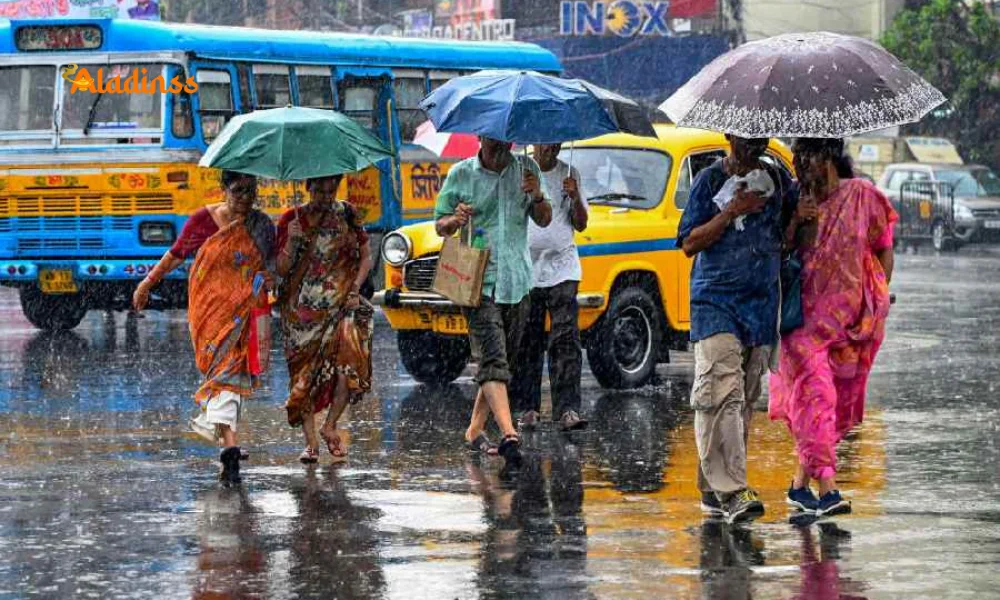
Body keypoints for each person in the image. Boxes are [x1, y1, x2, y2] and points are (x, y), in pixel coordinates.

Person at [769, 138, 896, 516]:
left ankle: (798, 486)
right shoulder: (792, 200)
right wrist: (797, 221)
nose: (801, 164)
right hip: (801, 323)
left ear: (828, 156)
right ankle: (827, 489)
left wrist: (879, 296)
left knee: (828, 409)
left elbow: (882, 246)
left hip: (849, 324)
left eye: (808, 156)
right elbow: (778, 251)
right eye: (797, 157)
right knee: (817, 397)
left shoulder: (863, 196)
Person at [676, 135, 796, 523]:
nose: (754, 145)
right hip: (716, 303)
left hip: (759, 307)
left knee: (740, 400)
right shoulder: (709, 181)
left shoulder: (777, 181)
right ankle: (733, 490)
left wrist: (801, 217)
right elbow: (690, 242)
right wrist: (731, 211)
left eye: (760, 138)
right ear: (730, 136)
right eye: (747, 138)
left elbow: (786, 242)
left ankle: (713, 488)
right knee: (719, 393)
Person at [133, 170, 275, 484]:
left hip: (245, 311)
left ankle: (230, 446)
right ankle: (230, 442)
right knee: (223, 374)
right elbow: (175, 255)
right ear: (223, 189)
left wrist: (272, 287)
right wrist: (146, 283)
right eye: (238, 191)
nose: (245, 198)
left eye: (251, 191)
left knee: (233, 373)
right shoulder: (203, 220)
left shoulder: (262, 226)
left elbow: (272, 267)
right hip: (209, 312)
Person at [434, 137, 552, 474]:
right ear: (480, 137)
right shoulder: (461, 174)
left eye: (505, 136)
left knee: (501, 364)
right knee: (492, 359)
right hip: (477, 282)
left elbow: (544, 219)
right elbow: (439, 224)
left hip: (517, 280)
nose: (499, 143)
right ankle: (510, 435)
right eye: (491, 136)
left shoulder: (527, 170)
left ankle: (473, 430)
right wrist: (454, 221)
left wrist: (538, 195)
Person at [276, 175, 374, 464]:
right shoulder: (291, 220)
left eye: (331, 190)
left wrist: (355, 288)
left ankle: (330, 425)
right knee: (304, 378)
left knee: (349, 368)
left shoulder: (348, 214)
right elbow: (281, 268)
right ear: (307, 187)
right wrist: (292, 243)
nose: (325, 196)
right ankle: (310, 444)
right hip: (301, 313)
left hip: (343, 307)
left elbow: (366, 256)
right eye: (319, 190)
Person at [513, 143, 589, 432]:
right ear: (534, 142)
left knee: (565, 339)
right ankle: (528, 408)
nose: (551, 148)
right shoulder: (519, 172)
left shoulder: (570, 173)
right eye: (546, 142)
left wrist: (575, 196)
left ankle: (567, 408)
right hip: (526, 269)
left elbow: (580, 225)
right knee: (527, 341)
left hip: (564, 268)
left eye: (556, 142)